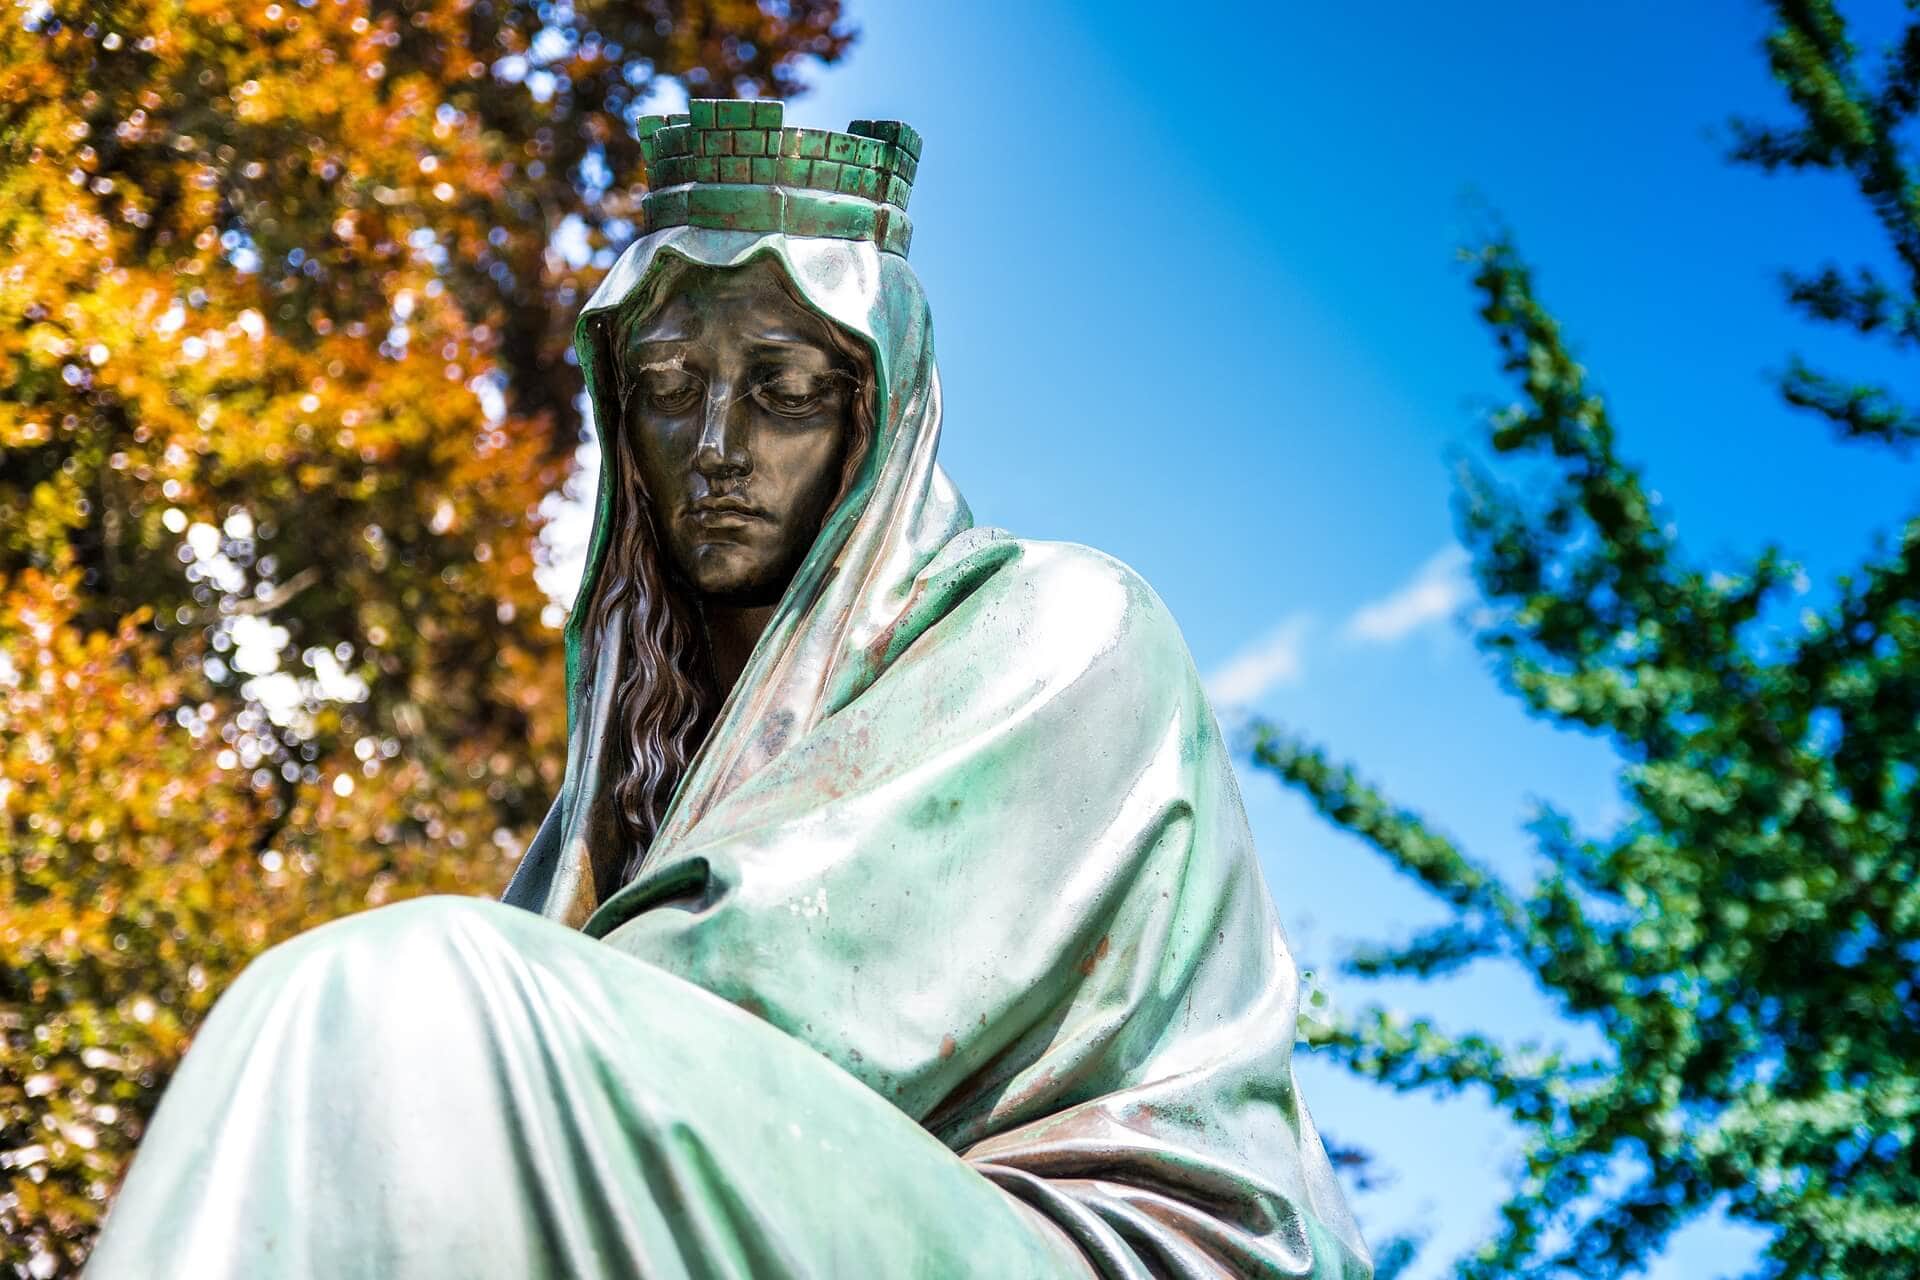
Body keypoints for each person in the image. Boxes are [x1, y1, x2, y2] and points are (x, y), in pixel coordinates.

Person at [90, 101, 1372, 1279]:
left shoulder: (1061, 627)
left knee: (397, 997)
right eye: (666, 389)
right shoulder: (635, 775)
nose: (717, 448)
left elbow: (747, 991)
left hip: (1077, 1239)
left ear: (879, 413)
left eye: (785, 390)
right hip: (797, 1195)